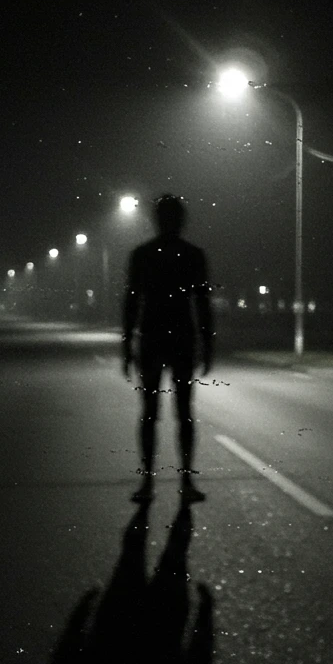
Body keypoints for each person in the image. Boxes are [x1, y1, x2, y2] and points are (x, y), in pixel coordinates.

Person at [122, 194, 214, 503]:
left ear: (155, 220)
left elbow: (132, 302)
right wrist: (208, 343)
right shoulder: (193, 255)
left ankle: (148, 483)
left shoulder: (142, 254)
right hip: (182, 338)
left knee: (150, 414)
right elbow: (202, 303)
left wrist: (126, 346)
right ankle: (185, 481)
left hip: (151, 337)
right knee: (184, 413)